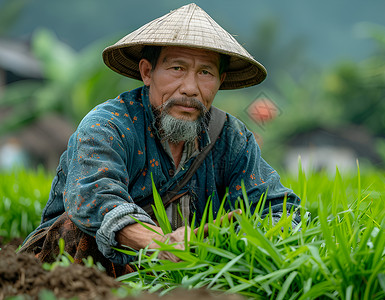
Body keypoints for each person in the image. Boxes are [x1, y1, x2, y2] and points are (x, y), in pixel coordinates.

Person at [20, 3, 301, 277]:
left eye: (205, 72)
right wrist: (156, 243)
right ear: (146, 72)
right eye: (177, 68)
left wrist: (227, 237)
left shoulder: (232, 138)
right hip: (78, 274)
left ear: (220, 80)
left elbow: (280, 209)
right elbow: (95, 195)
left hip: (181, 279)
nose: (190, 88)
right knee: (78, 229)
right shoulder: (108, 126)